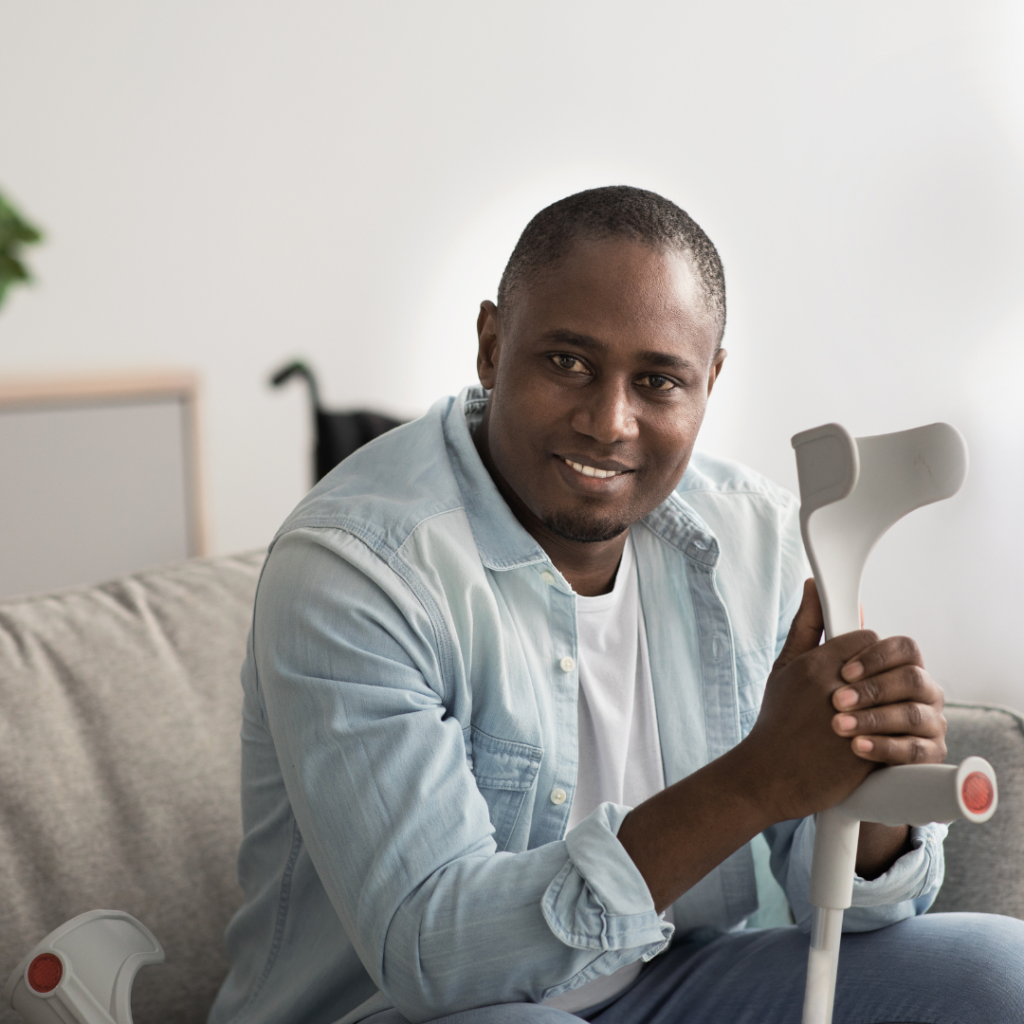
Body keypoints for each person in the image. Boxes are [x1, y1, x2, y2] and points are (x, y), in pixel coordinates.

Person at [210, 187, 1024, 1024]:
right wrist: (754, 781)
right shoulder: (358, 569)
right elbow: (436, 954)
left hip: (664, 983)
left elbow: (849, 912)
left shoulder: (758, 540)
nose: (609, 421)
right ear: (492, 347)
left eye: (659, 381)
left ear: (709, 381)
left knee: (1002, 973)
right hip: (408, 1012)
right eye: (568, 362)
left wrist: (863, 783)